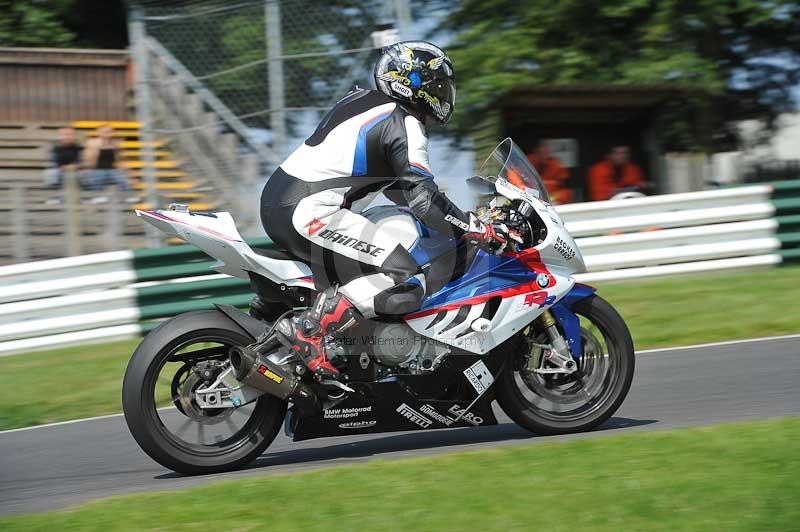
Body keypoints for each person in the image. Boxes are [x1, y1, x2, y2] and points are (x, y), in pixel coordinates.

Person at [260, 41, 506, 378]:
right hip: (311, 211)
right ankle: (312, 330)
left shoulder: (362, 102)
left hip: (281, 204)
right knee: (405, 275)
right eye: (437, 85)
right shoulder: (404, 123)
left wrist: (455, 216)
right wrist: (472, 227)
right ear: (414, 83)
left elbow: (400, 191)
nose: (445, 93)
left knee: (390, 244)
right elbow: (421, 198)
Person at [82, 124, 131, 194]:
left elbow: (121, 160)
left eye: (109, 132)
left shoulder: (115, 144)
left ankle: (127, 197)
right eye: (104, 132)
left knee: (122, 178)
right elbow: (87, 159)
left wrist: (128, 173)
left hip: (112, 169)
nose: (106, 134)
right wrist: (97, 148)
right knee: (97, 178)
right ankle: (95, 197)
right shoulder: (92, 143)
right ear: (99, 133)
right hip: (97, 169)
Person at [526, 139, 572, 203]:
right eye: (542, 151)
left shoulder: (556, 166)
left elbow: (566, 192)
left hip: (552, 205)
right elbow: (520, 188)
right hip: (530, 203)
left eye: (547, 151)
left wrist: (552, 199)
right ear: (536, 151)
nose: (545, 155)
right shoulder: (526, 165)